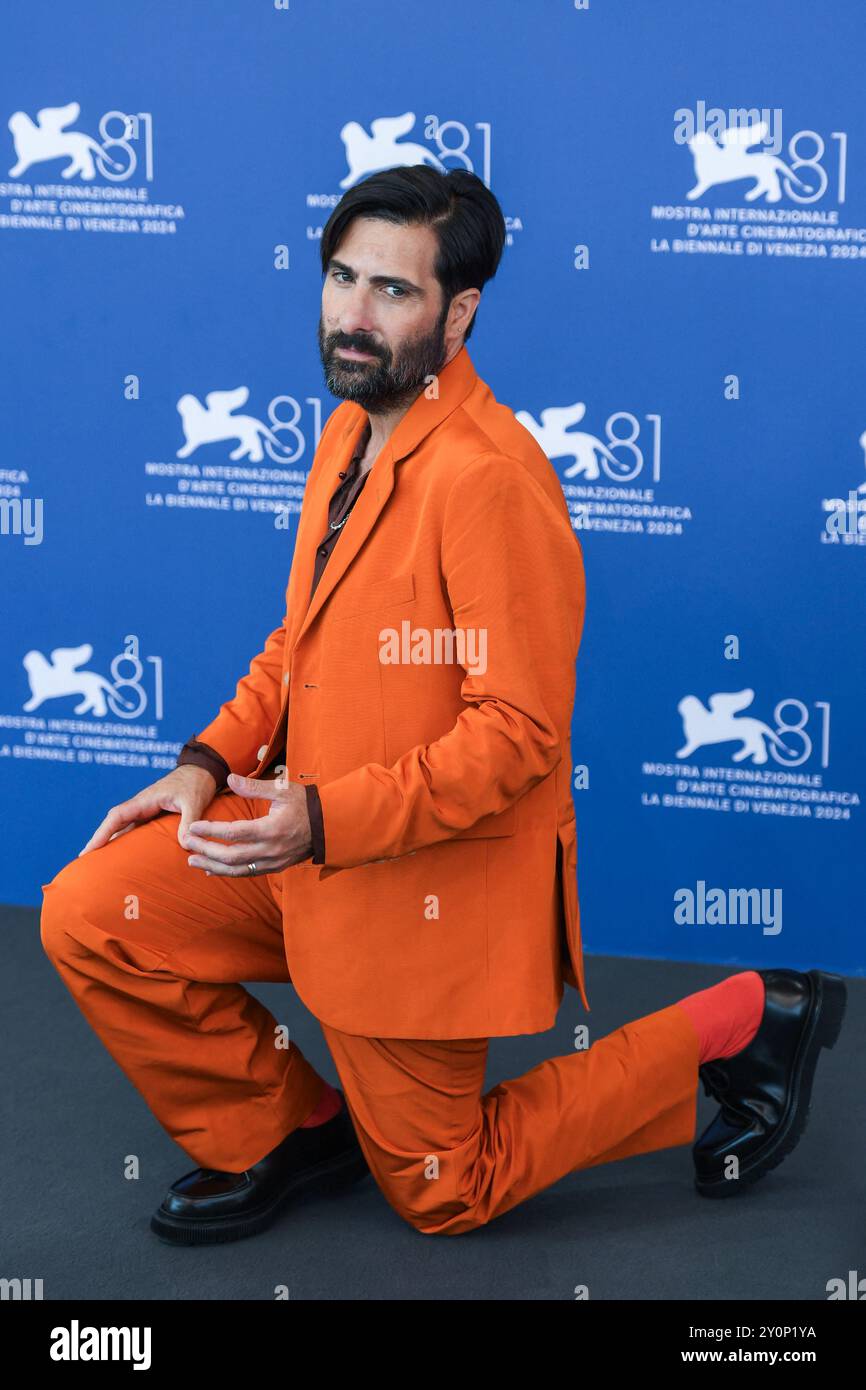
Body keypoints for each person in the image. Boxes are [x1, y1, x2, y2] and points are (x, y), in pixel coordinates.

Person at [40, 166, 847, 1244]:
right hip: (301, 847)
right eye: (340, 278)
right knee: (93, 912)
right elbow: (300, 640)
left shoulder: (488, 479)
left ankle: (746, 1018)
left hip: (410, 878)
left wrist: (320, 821)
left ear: (458, 312)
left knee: (442, 1188)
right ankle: (286, 1128)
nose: (352, 316)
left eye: (392, 291)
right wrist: (205, 760)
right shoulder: (351, 428)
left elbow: (517, 733)